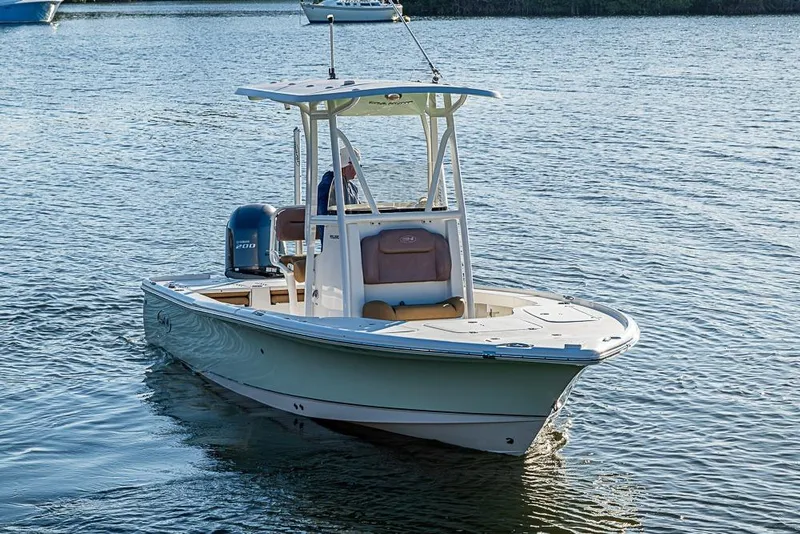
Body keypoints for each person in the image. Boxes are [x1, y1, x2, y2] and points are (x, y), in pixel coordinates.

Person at [317, 147, 361, 246]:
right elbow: (324, 218)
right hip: (336, 240)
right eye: (356, 167)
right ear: (347, 166)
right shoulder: (328, 185)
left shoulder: (353, 188)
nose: (357, 172)